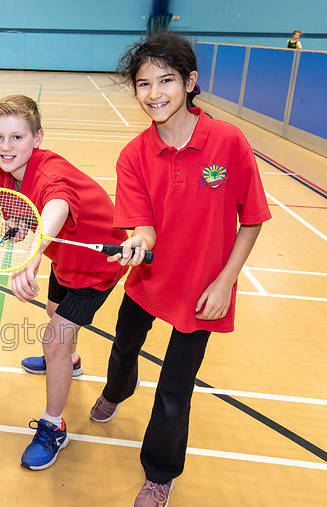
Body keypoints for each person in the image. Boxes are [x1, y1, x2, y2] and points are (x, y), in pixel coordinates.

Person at [93, 32, 271, 506]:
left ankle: (160, 473)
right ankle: (116, 390)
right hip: (148, 283)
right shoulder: (133, 155)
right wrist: (138, 242)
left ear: (190, 82)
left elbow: (252, 219)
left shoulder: (228, 142)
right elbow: (144, 227)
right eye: (143, 83)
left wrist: (225, 283)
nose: (154, 93)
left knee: (175, 392)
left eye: (166, 80)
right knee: (123, 350)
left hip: (202, 292)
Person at [0, 95, 129, 470]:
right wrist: (20, 241)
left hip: (98, 265)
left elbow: (56, 207)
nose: (6, 147)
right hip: (65, 258)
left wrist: (32, 256)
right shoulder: (5, 173)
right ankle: (72, 361)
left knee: (53, 340)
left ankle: (54, 426)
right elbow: (22, 223)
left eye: (17, 138)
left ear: (38, 138)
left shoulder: (49, 175)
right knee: (54, 315)